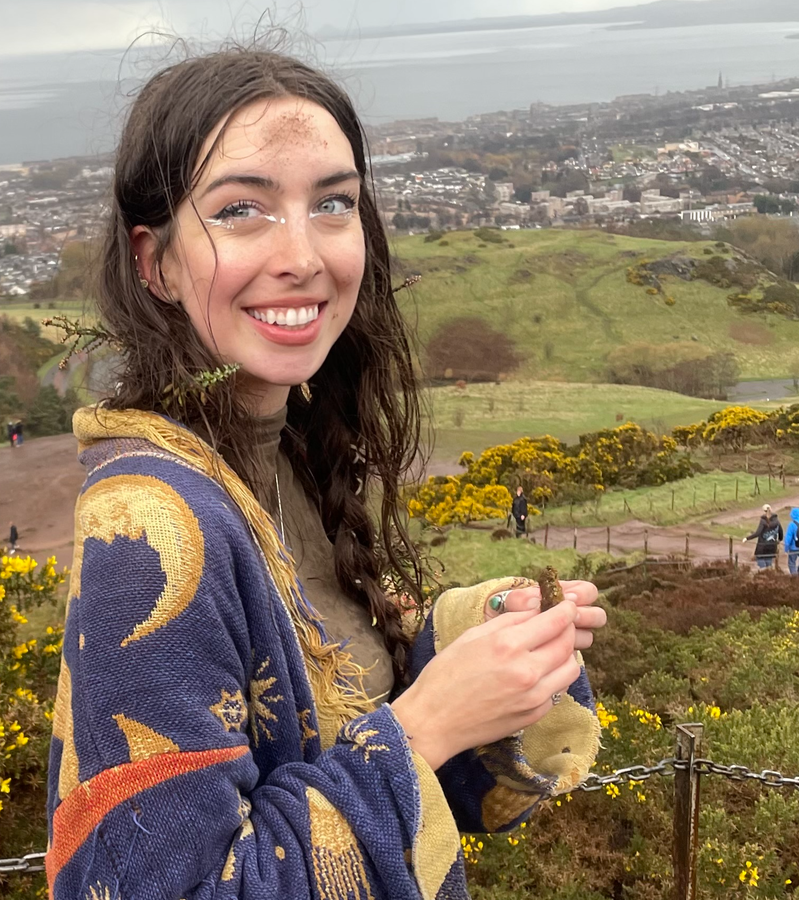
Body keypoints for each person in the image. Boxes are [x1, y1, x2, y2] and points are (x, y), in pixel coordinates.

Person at [47, 48, 607, 900]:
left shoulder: (286, 458)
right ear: (155, 262)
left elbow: (337, 735)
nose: (302, 255)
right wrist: (427, 724)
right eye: (241, 210)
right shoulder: (154, 523)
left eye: (333, 203)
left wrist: (469, 642)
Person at [743, 503, 782, 570]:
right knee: (769, 564)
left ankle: (764, 573)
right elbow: (781, 532)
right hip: (772, 546)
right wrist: (779, 540)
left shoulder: (763, 521)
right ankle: (769, 573)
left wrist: (747, 538)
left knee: (762, 565)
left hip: (762, 547)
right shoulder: (777, 521)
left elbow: (757, 533)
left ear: (764, 511)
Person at [786, 507, 799, 576]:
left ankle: (795, 578)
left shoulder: (792, 525)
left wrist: (786, 548)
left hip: (793, 548)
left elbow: (788, 538)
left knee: (791, 563)